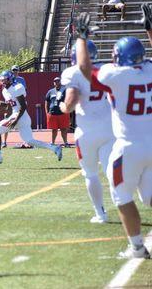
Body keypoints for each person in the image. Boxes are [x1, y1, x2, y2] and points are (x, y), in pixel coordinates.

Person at [74, 4, 152, 258]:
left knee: (121, 195)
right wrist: (150, 29)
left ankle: (137, 248)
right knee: (150, 197)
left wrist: (82, 38)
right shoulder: (149, 69)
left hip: (129, 146)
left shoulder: (115, 74)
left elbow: (85, 69)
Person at [59, 41, 114, 224]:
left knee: (90, 174)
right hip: (110, 128)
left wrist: (63, 107)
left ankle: (100, 214)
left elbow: (71, 101)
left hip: (87, 132)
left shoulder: (72, 73)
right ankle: (124, 203)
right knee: (112, 171)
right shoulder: (107, 69)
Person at [0, 71, 62, 164]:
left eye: (4, 80)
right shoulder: (4, 91)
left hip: (20, 115)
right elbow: (12, 106)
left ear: (10, 79)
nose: (2, 82)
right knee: (30, 141)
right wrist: (4, 107)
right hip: (21, 117)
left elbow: (23, 107)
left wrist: (15, 120)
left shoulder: (17, 88)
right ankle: (55, 148)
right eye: (1, 80)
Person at [2, 66, 27, 148]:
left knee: (23, 123)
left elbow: (22, 92)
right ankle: (4, 142)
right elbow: (5, 90)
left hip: (18, 102)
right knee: (6, 120)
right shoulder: (7, 79)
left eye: (16, 70)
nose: (15, 71)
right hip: (11, 102)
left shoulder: (21, 80)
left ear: (19, 71)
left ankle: (26, 141)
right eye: (13, 70)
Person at [45, 77, 70, 146]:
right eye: (55, 81)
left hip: (62, 113)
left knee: (64, 129)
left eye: (58, 81)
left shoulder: (64, 90)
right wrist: (47, 112)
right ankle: (52, 142)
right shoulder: (50, 91)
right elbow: (47, 101)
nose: (56, 82)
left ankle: (65, 142)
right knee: (54, 130)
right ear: (54, 83)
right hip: (53, 113)